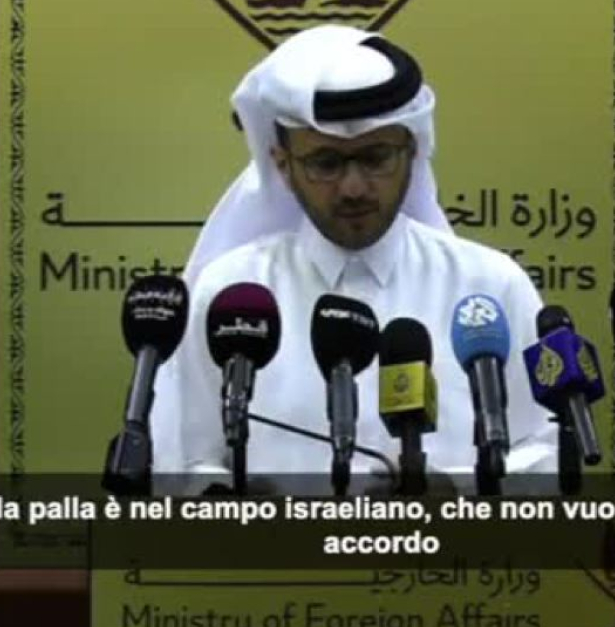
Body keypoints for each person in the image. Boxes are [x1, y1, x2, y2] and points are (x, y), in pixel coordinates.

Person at [151, 25, 553, 494]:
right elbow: (183, 457)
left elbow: (546, 451)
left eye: (376, 158)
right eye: (326, 163)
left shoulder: (490, 287)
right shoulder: (230, 293)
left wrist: (459, 492)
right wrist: (228, 501)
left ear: (413, 151)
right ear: (283, 165)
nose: (354, 188)